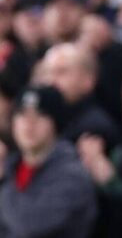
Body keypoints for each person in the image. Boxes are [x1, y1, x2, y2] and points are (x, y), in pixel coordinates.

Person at [0, 86, 98, 237]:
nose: (29, 123)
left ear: (55, 123)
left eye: (39, 115)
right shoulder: (12, 168)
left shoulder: (72, 175)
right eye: (22, 115)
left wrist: (4, 184)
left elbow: (29, 225)